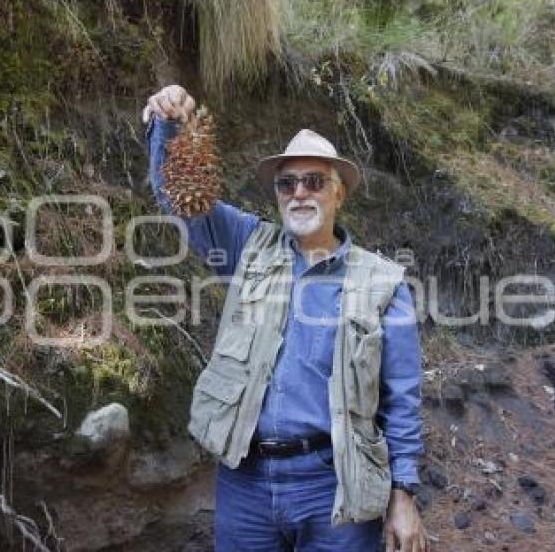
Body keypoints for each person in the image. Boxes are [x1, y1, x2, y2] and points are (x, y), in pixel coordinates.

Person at [142, 85, 428, 552]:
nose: (299, 192)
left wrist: (403, 496)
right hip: (246, 482)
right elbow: (181, 198)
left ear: (339, 193)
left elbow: (402, 401)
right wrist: (169, 122)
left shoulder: (383, 283)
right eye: (286, 183)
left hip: (335, 486)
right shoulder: (246, 246)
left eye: (314, 181)